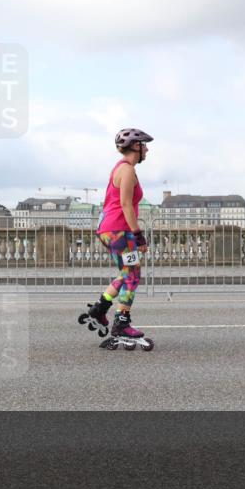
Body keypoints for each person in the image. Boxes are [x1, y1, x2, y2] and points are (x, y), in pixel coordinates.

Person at [87, 128, 153, 340]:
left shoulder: (120, 168)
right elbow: (125, 204)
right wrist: (138, 235)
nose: (147, 149)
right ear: (136, 146)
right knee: (133, 275)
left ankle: (100, 308)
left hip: (109, 229)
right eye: (144, 145)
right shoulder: (127, 170)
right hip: (119, 230)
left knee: (126, 273)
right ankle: (121, 322)